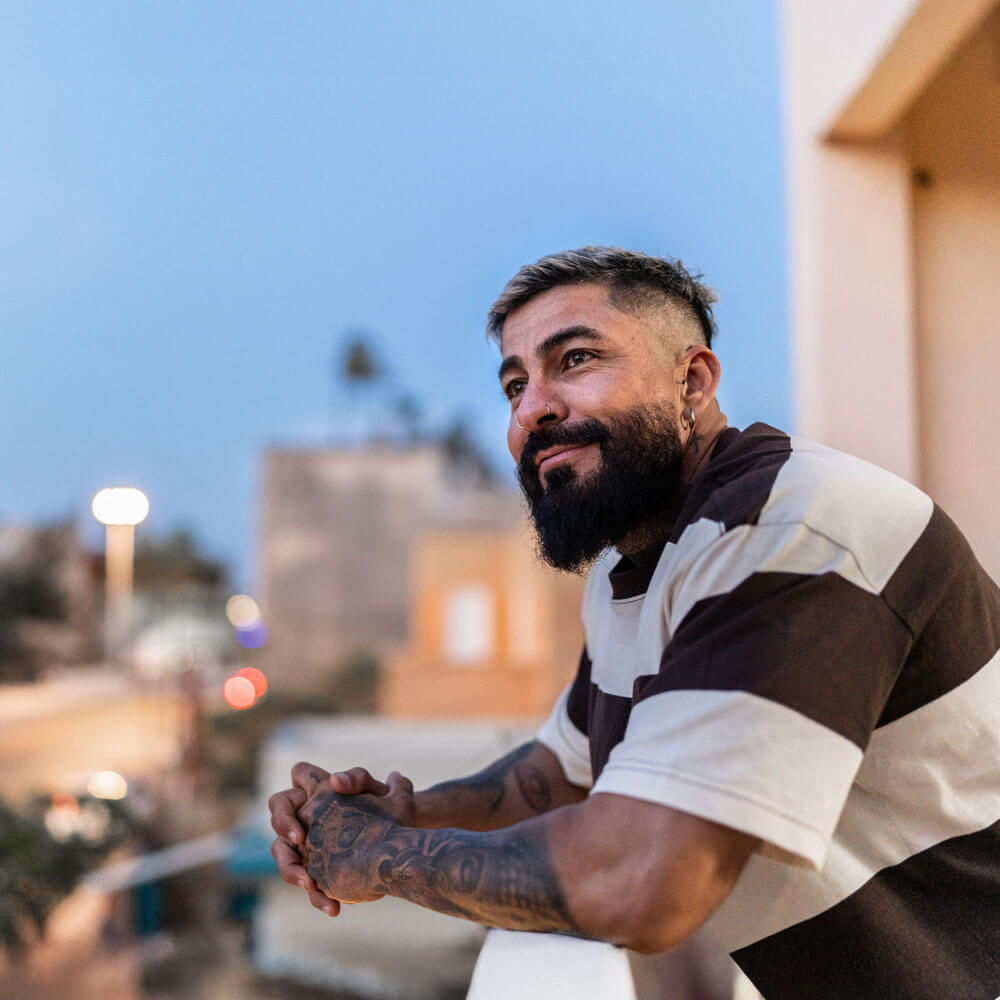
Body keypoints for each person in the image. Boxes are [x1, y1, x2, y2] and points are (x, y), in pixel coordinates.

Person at [270, 247, 1000, 999]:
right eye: (515, 385)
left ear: (693, 380)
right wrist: (403, 811)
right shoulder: (638, 568)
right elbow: (560, 777)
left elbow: (648, 881)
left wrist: (386, 856)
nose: (533, 410)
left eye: (576, 359)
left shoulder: (792, 528)